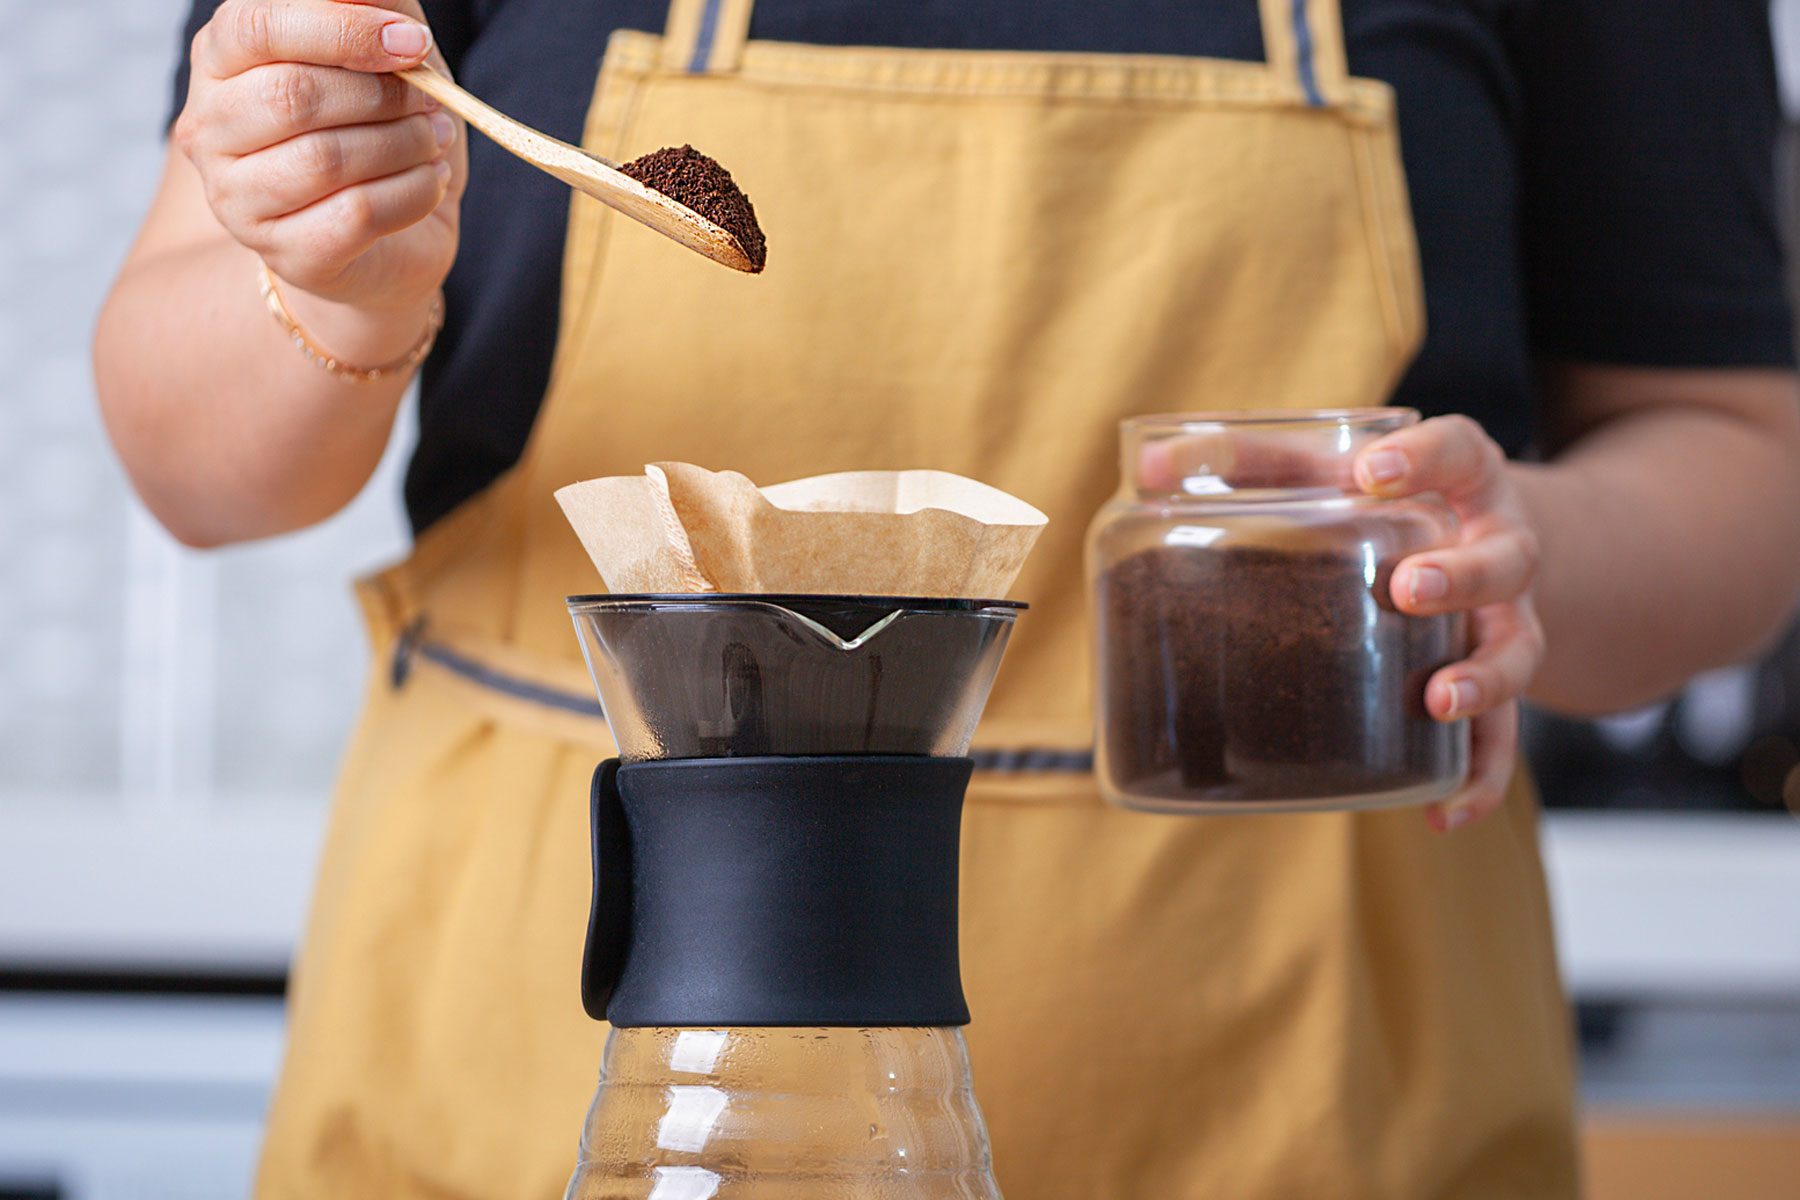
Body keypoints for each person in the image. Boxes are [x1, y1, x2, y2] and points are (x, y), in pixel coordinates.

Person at [94, 0, 1800, 1195]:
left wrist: (1535, 552)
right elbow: (197, 464)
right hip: (558, 1101)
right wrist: (331, 280)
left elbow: (1740, 451)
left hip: (1305, 1106)